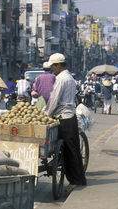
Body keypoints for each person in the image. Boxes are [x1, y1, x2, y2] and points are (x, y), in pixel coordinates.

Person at [44, 53, 86, 191]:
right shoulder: (69, 78)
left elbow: (54, 100)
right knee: (72, 150)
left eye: (53, 66)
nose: (52, 69)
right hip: (70, 117)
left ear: (58, 65)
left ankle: (75, 180)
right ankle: (78, 178)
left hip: (65, 118)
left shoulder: (61, 79)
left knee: (69, 151)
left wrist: (46, 114)